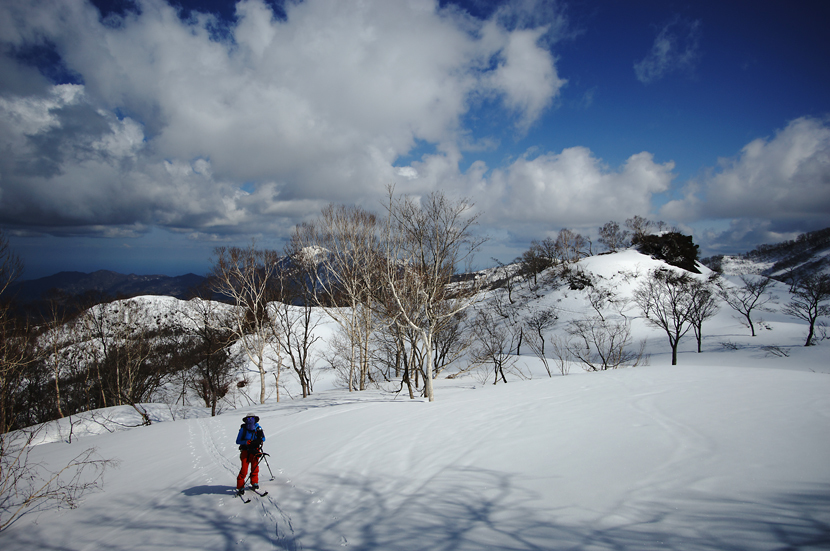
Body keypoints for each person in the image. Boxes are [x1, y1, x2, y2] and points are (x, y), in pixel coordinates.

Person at [236, 414, 265, 493]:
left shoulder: (258, 428)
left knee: (254, 467)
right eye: (249, 418)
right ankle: (240, 486)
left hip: (254, 450)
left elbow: (263, 439)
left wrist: (258, 440)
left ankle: (254, 482)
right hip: (246, 450)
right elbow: (238, 441)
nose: (250, 420)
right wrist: (246, 442)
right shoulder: (243, 429)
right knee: (244, 469)